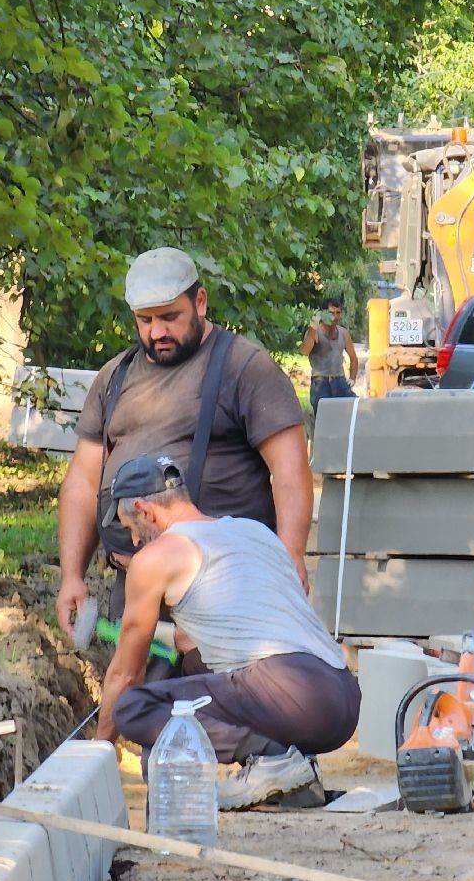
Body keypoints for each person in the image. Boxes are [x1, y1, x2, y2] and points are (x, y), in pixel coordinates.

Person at [55, 247, 313, 634]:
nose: (157, 331)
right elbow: (83, 481)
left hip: (224, 591)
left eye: (170, 316)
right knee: (137, 694)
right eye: (145, 320)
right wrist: (72, 576)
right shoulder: (114, 377)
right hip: (138, 591)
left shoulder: (244, 367)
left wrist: (290, 554)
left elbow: (289, 466)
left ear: (201, 301)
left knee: (218, 694)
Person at [94, 454, 360, 810]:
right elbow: (200, 643)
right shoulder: (253, 531)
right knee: (195, 665)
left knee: (135, 707)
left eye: (130, 527)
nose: (135, 541)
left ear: (145, 509)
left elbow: (127, 673)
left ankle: (270, 759)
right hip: (340, 697)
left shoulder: (157, 558)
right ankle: (296, 775)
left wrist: (96, 756)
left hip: (293, 693)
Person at [300, 297, 359, 414]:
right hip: (321, 382)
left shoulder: (343, 333)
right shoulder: (315, 332)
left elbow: (353, 358)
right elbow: (305, 351)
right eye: (332, 313)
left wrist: (352, 378)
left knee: (355, 410)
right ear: (324, 313)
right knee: (324, 419)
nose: (335, 317)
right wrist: (313, 327)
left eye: (338, 313)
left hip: (340, 380)